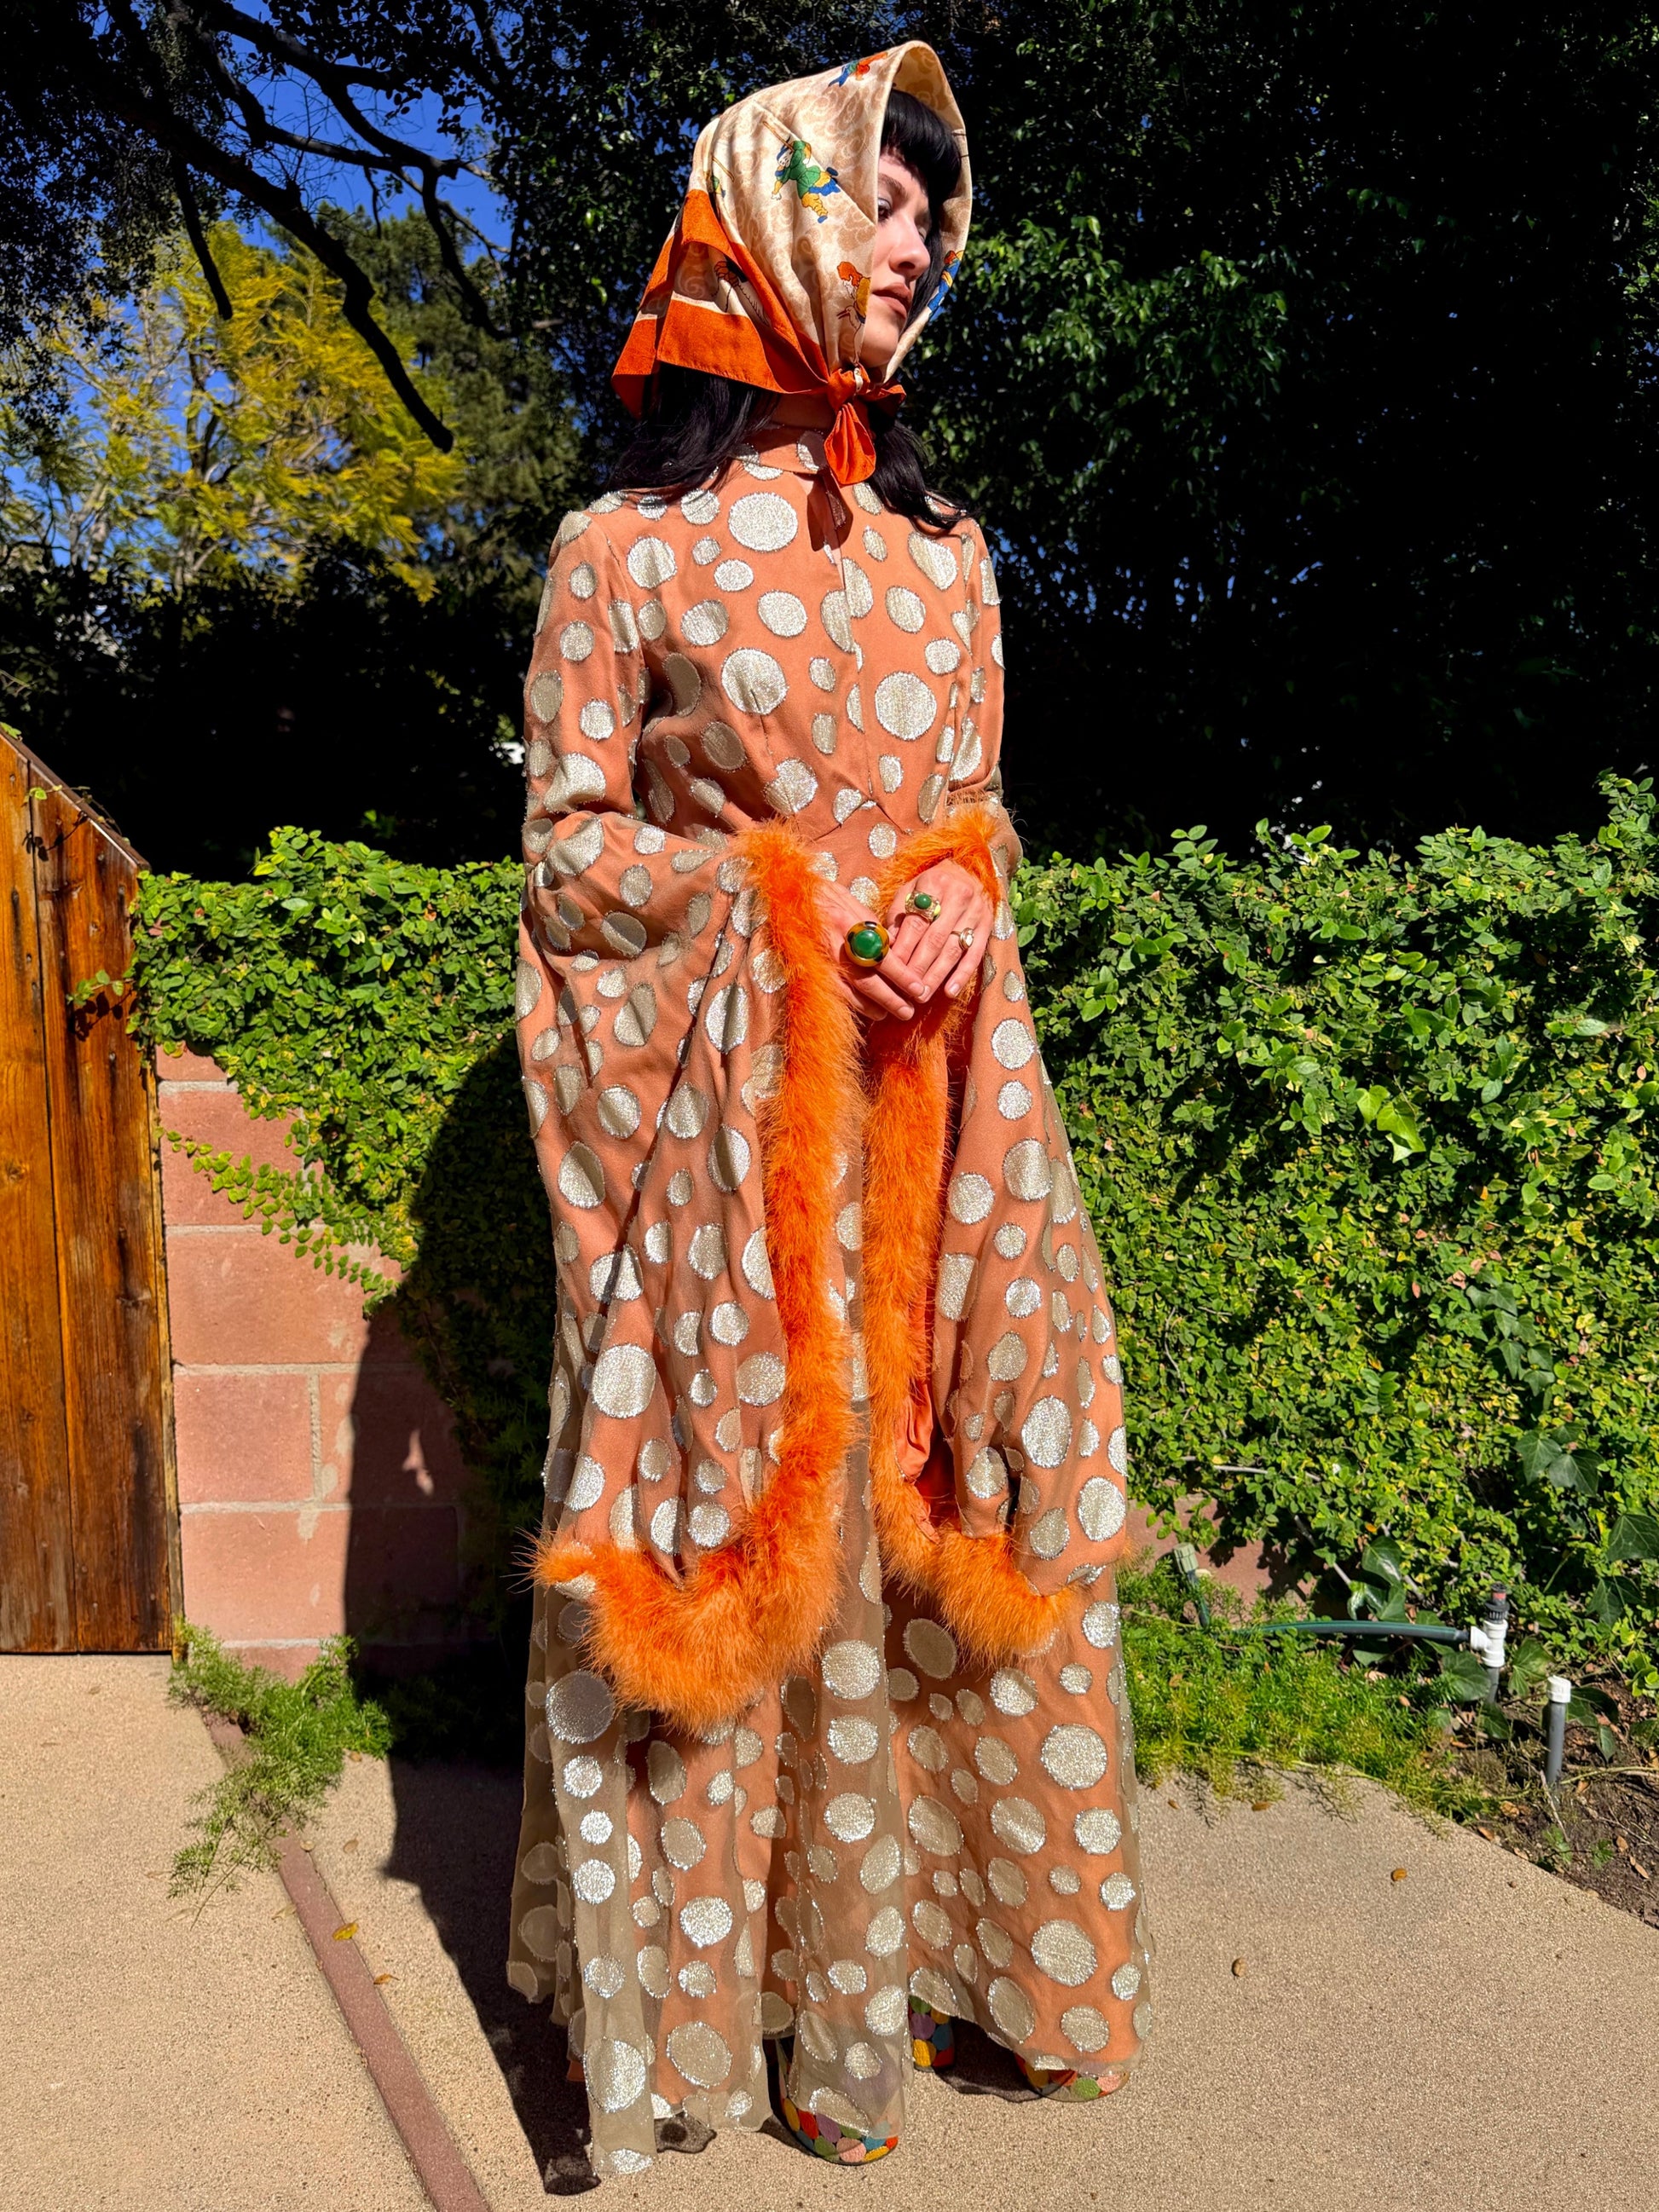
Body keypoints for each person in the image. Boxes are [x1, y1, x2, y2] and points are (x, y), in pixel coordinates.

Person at [506, 42, 1151, 2176]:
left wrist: (963, 884)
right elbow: (568, 856)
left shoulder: (950, 555)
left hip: (938, 1125)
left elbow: (977, 811)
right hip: (726, 1147)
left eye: (931, 216)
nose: (914, 247)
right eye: (879, 200)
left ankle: (912, 1985)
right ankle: (725, 2022)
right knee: (736, 1527)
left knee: (931, 1507)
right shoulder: (622, 554)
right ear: (767, 216)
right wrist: (781, 906)